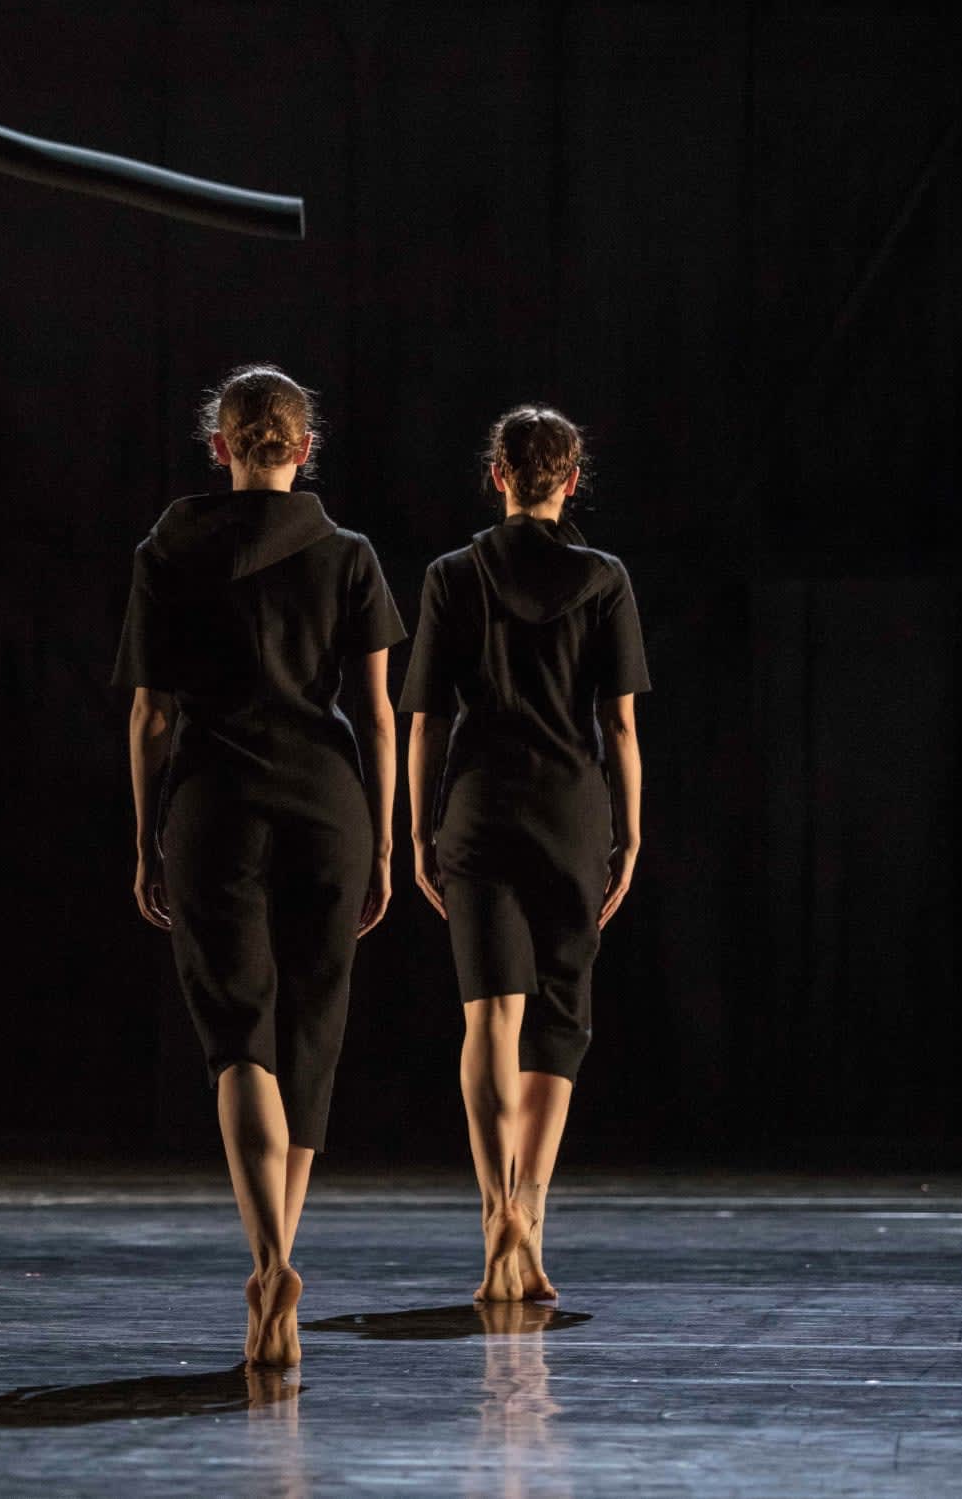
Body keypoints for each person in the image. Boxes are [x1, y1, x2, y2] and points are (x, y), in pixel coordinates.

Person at [119, 365, 401, 1367]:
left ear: (220, 446)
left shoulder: (167, 549)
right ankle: (285, 1248)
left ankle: (267, 1258)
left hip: (213, 801)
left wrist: (146, 836)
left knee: (240, 1031)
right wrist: (386, 833)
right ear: (304, 447)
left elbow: (151, 715)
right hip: (329, 804)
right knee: (310, 1030)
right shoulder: (351, 555)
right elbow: (375, 714)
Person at [403, 405, 647, 1303]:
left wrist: (418, 831)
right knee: (559, 1024)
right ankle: (530, 1216)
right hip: (571, 813)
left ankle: (495, 1213)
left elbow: (424, 719)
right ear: (571, 481)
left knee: (490, 1020)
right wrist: (630, 832)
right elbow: (620, 725)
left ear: (497, 475)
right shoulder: (605, 578)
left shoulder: (451, 575)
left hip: (479, 808)